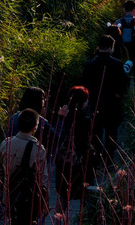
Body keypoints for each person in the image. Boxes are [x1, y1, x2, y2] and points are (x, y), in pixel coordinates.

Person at [80, 35, 128, 165]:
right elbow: (123, 84)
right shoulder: (117, 64)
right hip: (112, 103)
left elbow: (83, 83)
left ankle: (94, 158)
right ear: (111, 48)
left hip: (94, 102)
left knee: (95, 132)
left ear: (98, 46)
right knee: (111, 132)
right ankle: (108, 160)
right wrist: (119, 95)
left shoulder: (89, 63)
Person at [0, 108, 49, 225]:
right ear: (35, 127)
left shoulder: (5, 144)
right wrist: (45, 202)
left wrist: (2, 193)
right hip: (29, 198)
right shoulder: (38, 149)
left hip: (10, 195)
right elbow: (43, 179)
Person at [54, 86, 96, 217]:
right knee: (85, 193)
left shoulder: (62, 116)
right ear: (83, 101)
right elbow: (85, 142)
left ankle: (57, 220)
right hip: (80, 161)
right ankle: (83, 220)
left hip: (63, 160)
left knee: (62, 195)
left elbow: (56, 136)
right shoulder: (85, 120)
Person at [7, 87, 64, 155]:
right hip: (33, 160)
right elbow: (57, 139)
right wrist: (61, 118)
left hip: (12, 157)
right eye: (43, 99)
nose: (45, 101)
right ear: (38, 102)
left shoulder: (13, 118)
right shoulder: (41, 122)